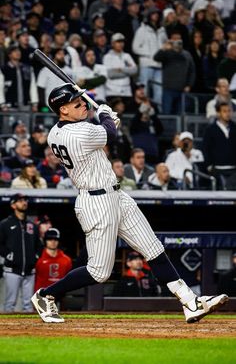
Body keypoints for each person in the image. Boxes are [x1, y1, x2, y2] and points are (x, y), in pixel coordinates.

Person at [31, 82, 228, 323]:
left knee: (153, 248)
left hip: (116, 195)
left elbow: (104, 130)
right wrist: (105, 115)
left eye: (82, 100)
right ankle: (46, 295)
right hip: (96, 202)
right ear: (63, 110)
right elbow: (110, 134)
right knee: (99, 272)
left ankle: (190, 301)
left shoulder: (57, 132)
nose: (83, 104)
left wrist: (105, 119)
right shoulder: (78, 133)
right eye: (76, 103)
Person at [0, 193, 41, 312]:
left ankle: (29, 331)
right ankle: (6, 331)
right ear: (13, 205)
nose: (24, 202)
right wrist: (8, 255)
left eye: (25, 200)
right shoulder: (5, 224)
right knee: (9, 303)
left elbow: (39, 244)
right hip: (12, 270)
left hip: (30, 270)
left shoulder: (32, 225)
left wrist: (35, 257)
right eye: (20, 200)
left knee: (28, 305)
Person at [202, 102, 236, 190]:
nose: (227, 114)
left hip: (233, 169)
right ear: (218, 113)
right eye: (224, 111)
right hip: (217, 169)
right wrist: (209, 165)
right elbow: (205, 148)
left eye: (229, 111)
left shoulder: (234, 128)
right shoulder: (210, 129)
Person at [35, 228, 72, 293]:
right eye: (50, 239)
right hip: (40, 295)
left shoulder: (66, 260)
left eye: (55, 239)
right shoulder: (38, 258)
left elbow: (68, 279)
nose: (53, 241)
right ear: (45, 241)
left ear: (59, 241)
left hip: (59, 294)